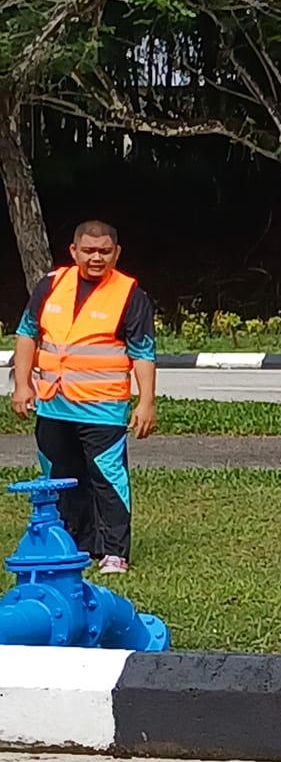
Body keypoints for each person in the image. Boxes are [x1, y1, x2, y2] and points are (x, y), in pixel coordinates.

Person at [10, 220, 157, 574]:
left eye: (104, 251)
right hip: (53, 403)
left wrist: (146, 401)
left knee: (107, 479)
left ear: (116, 253)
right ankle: (71, 544)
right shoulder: (50, 285)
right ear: (74, 251)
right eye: (88, 250)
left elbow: (143, 353)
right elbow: (27, 333)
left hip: (102, 408)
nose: (96, 257)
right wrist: (22, 384)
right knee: (58, 475)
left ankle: (113, 553)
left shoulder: (130, 295)